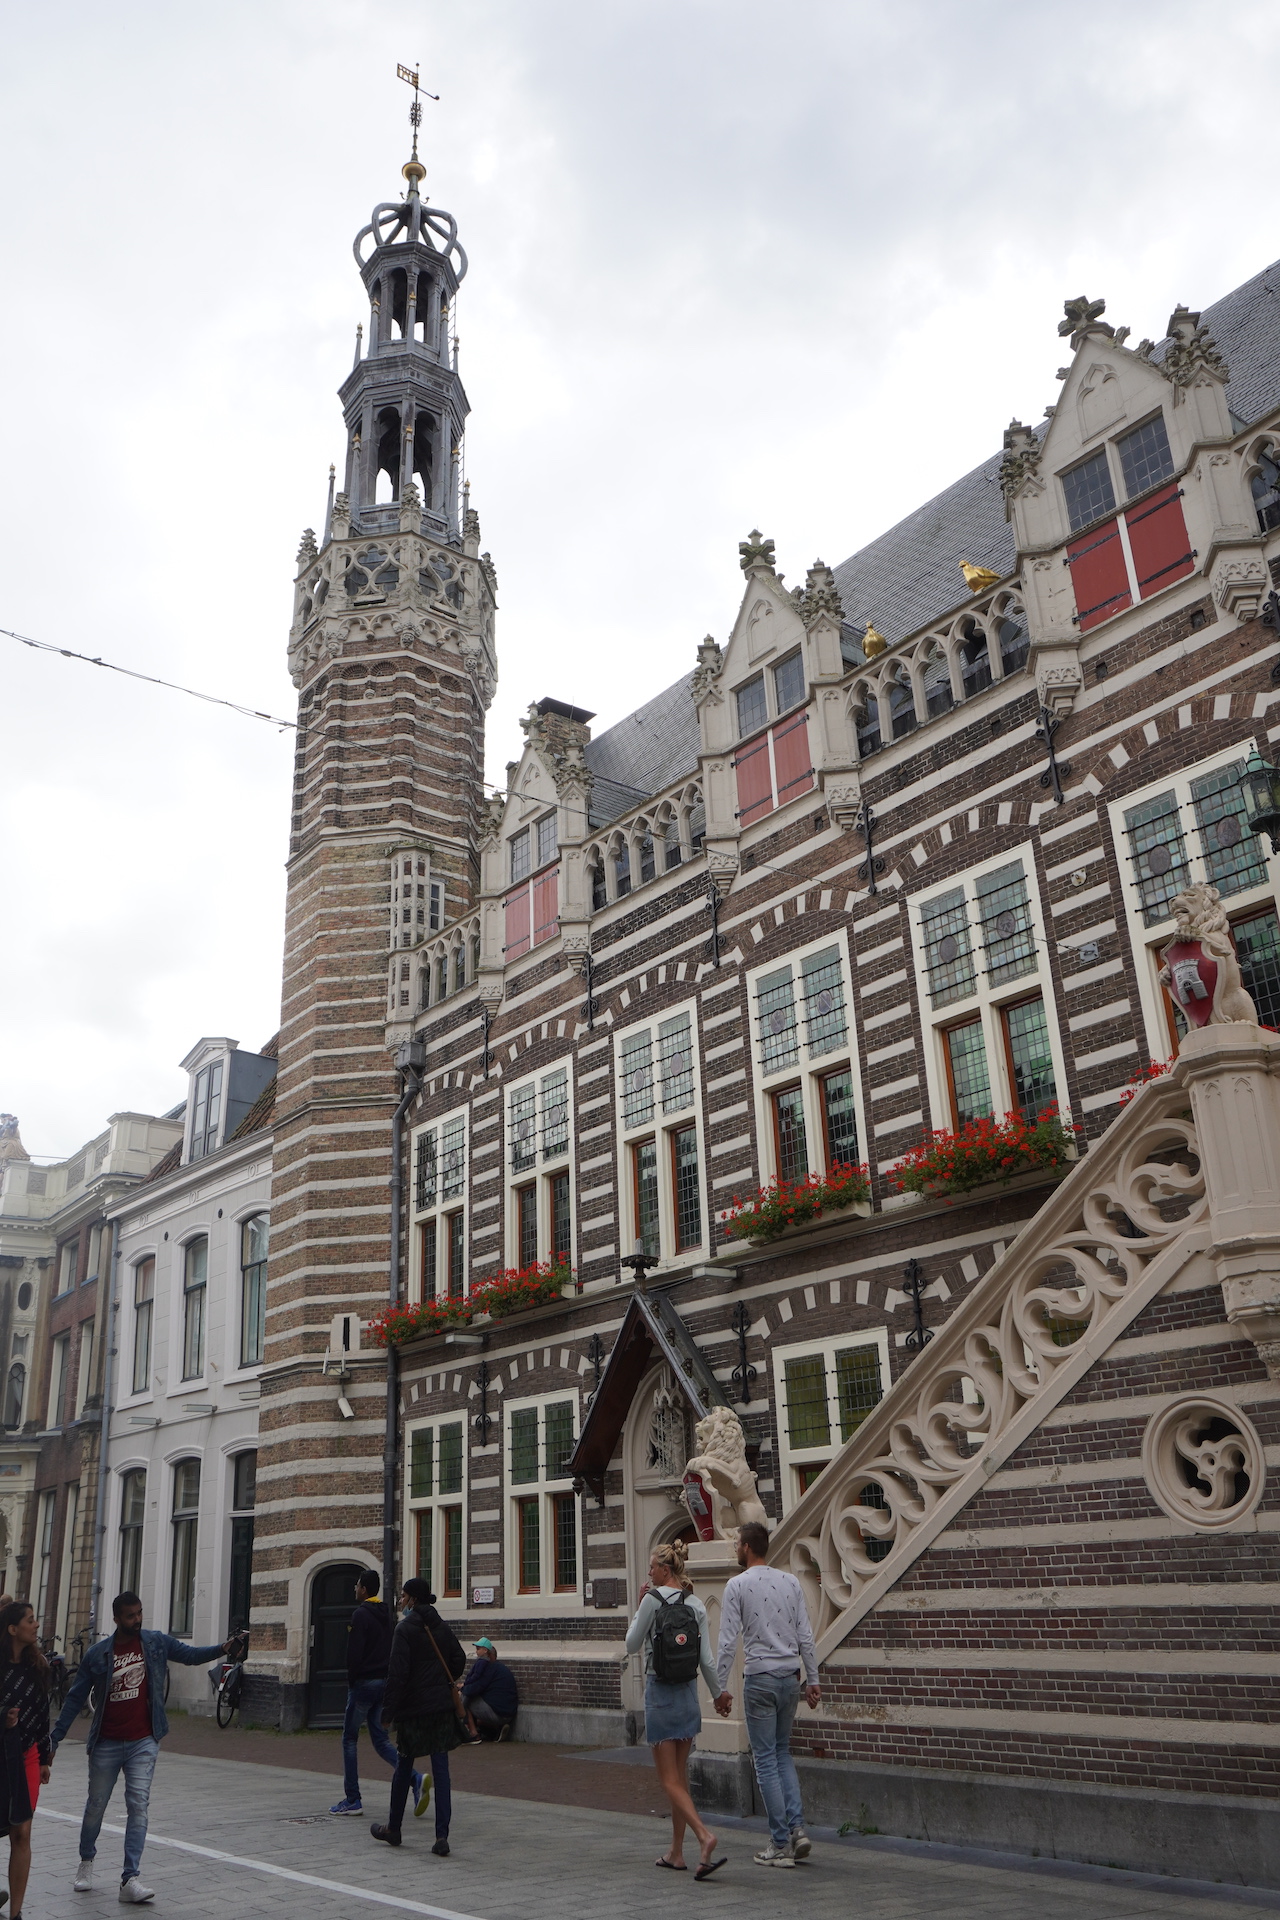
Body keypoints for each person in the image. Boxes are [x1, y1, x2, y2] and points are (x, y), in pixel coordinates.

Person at [51, 1589, 238, 1902]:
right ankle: (86, 1861)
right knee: (96, 1806)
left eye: (139, 1613)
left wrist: (223, 1648)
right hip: (106, 1743)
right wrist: (55, 1738)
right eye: (130, 1616)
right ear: (116, 1619)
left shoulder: (154, 1642)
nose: (137, 1620)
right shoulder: (98, 1654)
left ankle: (130, 1879)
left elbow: (190, 1655)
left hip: (143, 1740)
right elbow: (73, 1699)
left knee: (138, 1805)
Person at [715, 1521, 820, 1868]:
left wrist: (719, 1688)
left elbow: (727, 1640)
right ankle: (798, 1830)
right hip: (790, 1679)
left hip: (760, 1679)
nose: (735, 1548)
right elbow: (805, 1635)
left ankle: (779, 1843)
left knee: (764, 1760)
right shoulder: (790, 1582)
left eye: (737, 1544)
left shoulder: (736, 1585)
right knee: (782, 1753)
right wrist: (813, 1679)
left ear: (746, 1547)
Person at [624, 1541, 728, 1880]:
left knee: (668, 1781)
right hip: (687, 1693)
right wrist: (718, 1695)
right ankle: (677, 1853)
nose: (649, 1572)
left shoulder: (651, 1601)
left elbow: (631, 1644)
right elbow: (706, 1660)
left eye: (652, 1567)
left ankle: (704, 1836)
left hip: (660, 1692)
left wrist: (640, 1607)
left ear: (665, 1570)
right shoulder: (695, 1603)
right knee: (679, 1779)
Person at [371, 1578, 465, 1857]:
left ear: (413, 1599)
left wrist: (388, 1713)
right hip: (440, 1709)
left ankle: (394, 1828)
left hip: (413, 1710)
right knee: (441, 1770)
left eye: (403, 1596)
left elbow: (397, 1674)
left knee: (403, 1767)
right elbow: (458, 1659)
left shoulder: (405, 1629)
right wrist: (440, 1681)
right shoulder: (442, 1627)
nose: (401, 1601)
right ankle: (441, 1836)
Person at [330, 1570, 422, 1816]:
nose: (355, 1589)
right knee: (381, 1741)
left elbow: (355, 1652)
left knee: (349, 1738)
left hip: (364, 1683)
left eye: (357, 1585)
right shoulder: (386, 1614)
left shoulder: (360, 1614)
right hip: (383, 1682)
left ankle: (353, 1799)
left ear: (364, 1589)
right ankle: (415, 1778)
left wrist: (352, 1680)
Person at [0, 1601, 51, 1920]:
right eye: (30, 1620)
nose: (36, 1625)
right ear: (12, 1629)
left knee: (22, 1832)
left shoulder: (38, 1666)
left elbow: (44, 1714)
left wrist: (44, 1757)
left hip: (28, 1755)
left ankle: (16, 1913)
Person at [460, 1639, 518, 1742]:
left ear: (487, 1653)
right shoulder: (500, 1668)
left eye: (478, 1649)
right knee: (479, 1714)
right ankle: (495, 1730)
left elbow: (473, 1689)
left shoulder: (488, 1668)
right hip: (509, 1713)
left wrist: (462, 1689)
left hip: (497, 1713)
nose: (477, 1653)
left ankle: (473, 1734)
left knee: (465, 1698)